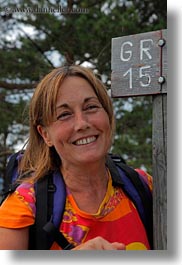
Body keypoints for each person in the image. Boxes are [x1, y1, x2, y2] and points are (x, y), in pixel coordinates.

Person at [0, 65, 152, 250]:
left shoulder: (143, 186)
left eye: (91, 107)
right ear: (45, 134)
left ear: (108, 115)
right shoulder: (24, 205)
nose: (82, 124)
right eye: (64, 115)